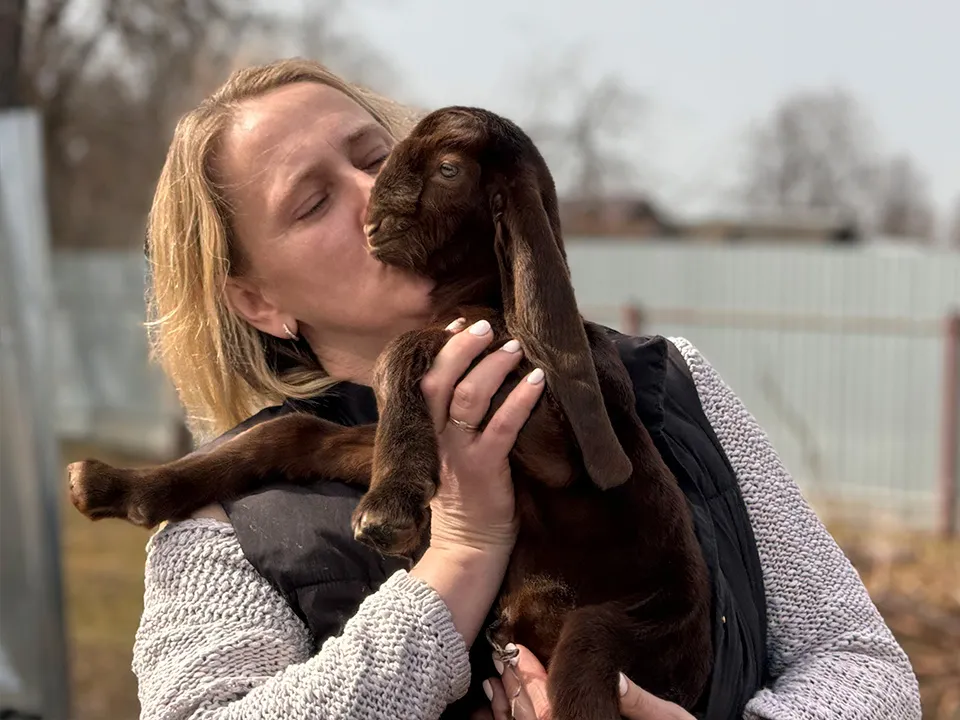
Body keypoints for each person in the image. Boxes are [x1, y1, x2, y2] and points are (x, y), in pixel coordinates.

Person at [131, 57, 921, 720]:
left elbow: (865, 665)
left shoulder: (665, 387)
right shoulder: (227, 519)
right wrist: (462, 556)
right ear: (260, 300)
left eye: (376, 157)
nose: (375, 197)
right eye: (312, 201)